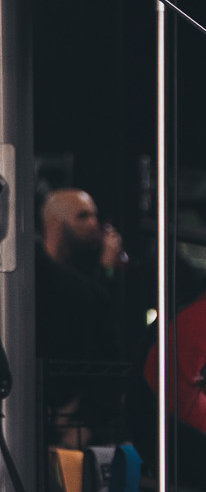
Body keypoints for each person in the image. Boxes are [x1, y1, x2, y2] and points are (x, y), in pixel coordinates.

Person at [36, 187, 127, 445]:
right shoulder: (36, 279)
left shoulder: (87, 274)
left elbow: (104, 342)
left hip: (76, 422)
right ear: (56, 222)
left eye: (94, 216)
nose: (94, 225)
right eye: (82, 216)